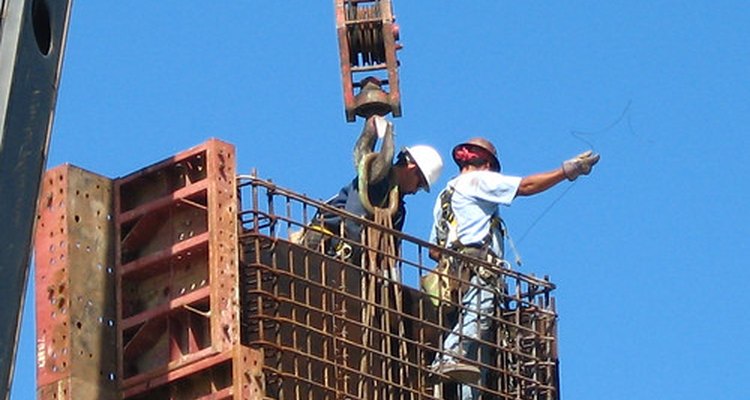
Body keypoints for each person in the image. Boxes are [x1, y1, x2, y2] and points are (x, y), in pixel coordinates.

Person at [427, 137, 599, 396]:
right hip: (479, 268)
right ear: (487, 164)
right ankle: (446, 357)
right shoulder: (478, 180)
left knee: (477, 347)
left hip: (453, 275)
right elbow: (527, 186)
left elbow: (433, 250)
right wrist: (567, 171)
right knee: (478, 316)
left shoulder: (444, 196)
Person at [300, 115, 443, 265]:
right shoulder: (376, 180)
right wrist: (362, 258)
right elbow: (353, 218)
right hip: (327, 246)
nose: (415, 191)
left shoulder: (398, 210)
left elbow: (392, 251)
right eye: (419, 184)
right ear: (412, 169)